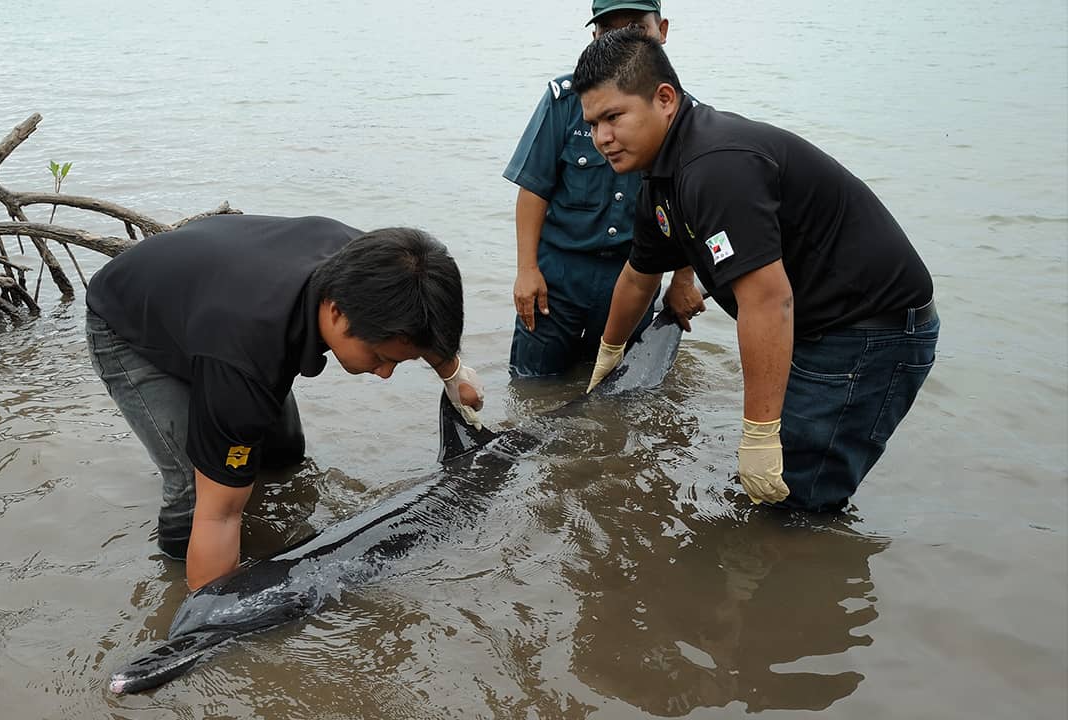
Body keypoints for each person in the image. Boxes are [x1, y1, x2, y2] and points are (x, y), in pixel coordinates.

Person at [575, 29, 939, 512]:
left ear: (664, 99)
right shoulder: (660, 178)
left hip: (870, 334)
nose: (602, 138)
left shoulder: (715, 167)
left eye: (613, 117)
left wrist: (760, 435)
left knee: (795, 504)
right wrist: (610, 354)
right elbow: (639, 276)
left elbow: (767, 299)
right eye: (592, 124)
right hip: (818, 325)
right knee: (773, 491)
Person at [85, 214, 485, 589]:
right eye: (381, 357)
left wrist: (453, 376)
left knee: (284, 454)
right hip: (129, 323)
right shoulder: (246, 359)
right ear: (336, 311)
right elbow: (218, 515)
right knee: (196, 490)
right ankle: (174, 570)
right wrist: (213, 623)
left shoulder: (384, 269)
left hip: (211, 296)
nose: (385, 373)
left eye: (398, 361)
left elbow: (422, 323)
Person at [503, 0, 703, 378]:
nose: (623, 38)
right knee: (533, 385)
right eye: (609, 30)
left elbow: (688, 206)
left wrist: (682, 278)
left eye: (636, 27)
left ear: (662, 31)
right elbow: (534, 188)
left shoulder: (675, 112)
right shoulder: (565, 100)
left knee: (621, 392)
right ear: (594, 37)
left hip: (635, 276)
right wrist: (527, 269)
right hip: (558, 277)